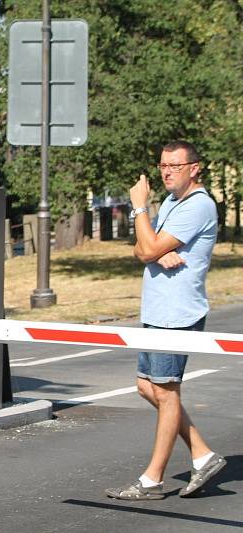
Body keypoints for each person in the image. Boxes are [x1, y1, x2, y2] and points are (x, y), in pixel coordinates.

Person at [106, 140, 225, 501]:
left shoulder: (199, 205)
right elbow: (142, 249)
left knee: (167, 391)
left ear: (194, 168)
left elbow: (147, 247)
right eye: (162, 166)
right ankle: (203, 455)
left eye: (174, 165)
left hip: (177, 314)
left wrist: (139, 208)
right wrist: (155, 252)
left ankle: (151, 481)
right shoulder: (173, 202)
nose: (167, 172)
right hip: (156, 311)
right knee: (148, 387)